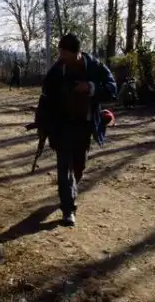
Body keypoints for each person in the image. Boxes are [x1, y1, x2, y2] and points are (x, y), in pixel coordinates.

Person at [35, 33, 117, 226]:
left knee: (79, 166)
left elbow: (112, 89)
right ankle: (68, 209)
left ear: (76, 52)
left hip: (84, 126)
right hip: (61, 126)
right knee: (64, 167)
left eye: (65, 53)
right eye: (60, 52)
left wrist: (90, 87)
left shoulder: (94, 67)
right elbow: (45, 98)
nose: (61, 56)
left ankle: (69, 192)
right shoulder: (56, 71)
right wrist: (41, 123)